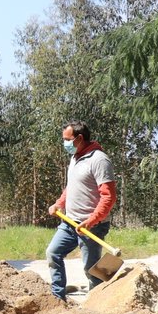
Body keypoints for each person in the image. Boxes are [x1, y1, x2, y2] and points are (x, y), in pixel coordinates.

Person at [45, 121, 117, 301]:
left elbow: (108, 196)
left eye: (67, 139)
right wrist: (59, 203)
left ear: (79, 138)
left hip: (92, 226)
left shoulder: (99, 160)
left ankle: (98, 303)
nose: (64, 143)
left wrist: (92, 220)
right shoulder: (75, 158)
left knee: (92, 270)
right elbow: (72, 187)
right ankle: (57, 299)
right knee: (53, 253)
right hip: (70, 222)